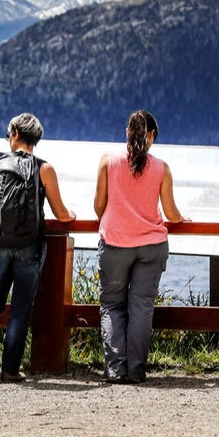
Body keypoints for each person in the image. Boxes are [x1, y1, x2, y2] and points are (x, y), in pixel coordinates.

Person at [0, 113, 76, 383]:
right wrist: (70, 214)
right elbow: (60, 213)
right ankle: (10, 369)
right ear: (36, 138)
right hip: (28, 246)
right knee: (21, 306)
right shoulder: (43, 168)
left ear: (14, 133)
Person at [93, 110, 187, 384]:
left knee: (112, 305)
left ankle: (115, 369)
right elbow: (170, 213)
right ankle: (136, 370)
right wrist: (182, 219)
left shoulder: (107, 163)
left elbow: (98, 205)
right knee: (142, 307)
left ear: (127, 133)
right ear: (152, 136)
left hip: (114, 244)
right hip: (151, 246)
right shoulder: (161, 168)